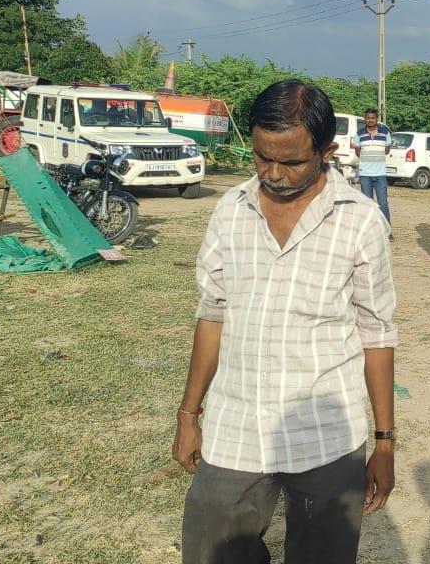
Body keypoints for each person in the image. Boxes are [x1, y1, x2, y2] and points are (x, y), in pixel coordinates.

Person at [173, 79, 397, 564]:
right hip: (236, 427)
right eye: (261, 157)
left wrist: (384, 441)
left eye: (291, 162)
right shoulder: (231, 210)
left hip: (326, 435)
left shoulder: (360, 221)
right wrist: (188, 414)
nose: (273, 174)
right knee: (212, 552)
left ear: (327, 152)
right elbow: (212, 314)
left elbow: (377, 334)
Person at [355, 107, 393, 237]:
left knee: (383, 204)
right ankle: (368, 232)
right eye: (368, 118)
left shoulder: (385, 133)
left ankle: (387, 231)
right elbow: (358, 152)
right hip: (365, 174)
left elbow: (387, 150)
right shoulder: (359, 134)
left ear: (377, 119)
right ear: (364, 119)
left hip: (380, 174)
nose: (370, 120)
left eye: (373, 118)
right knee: (367, 204)